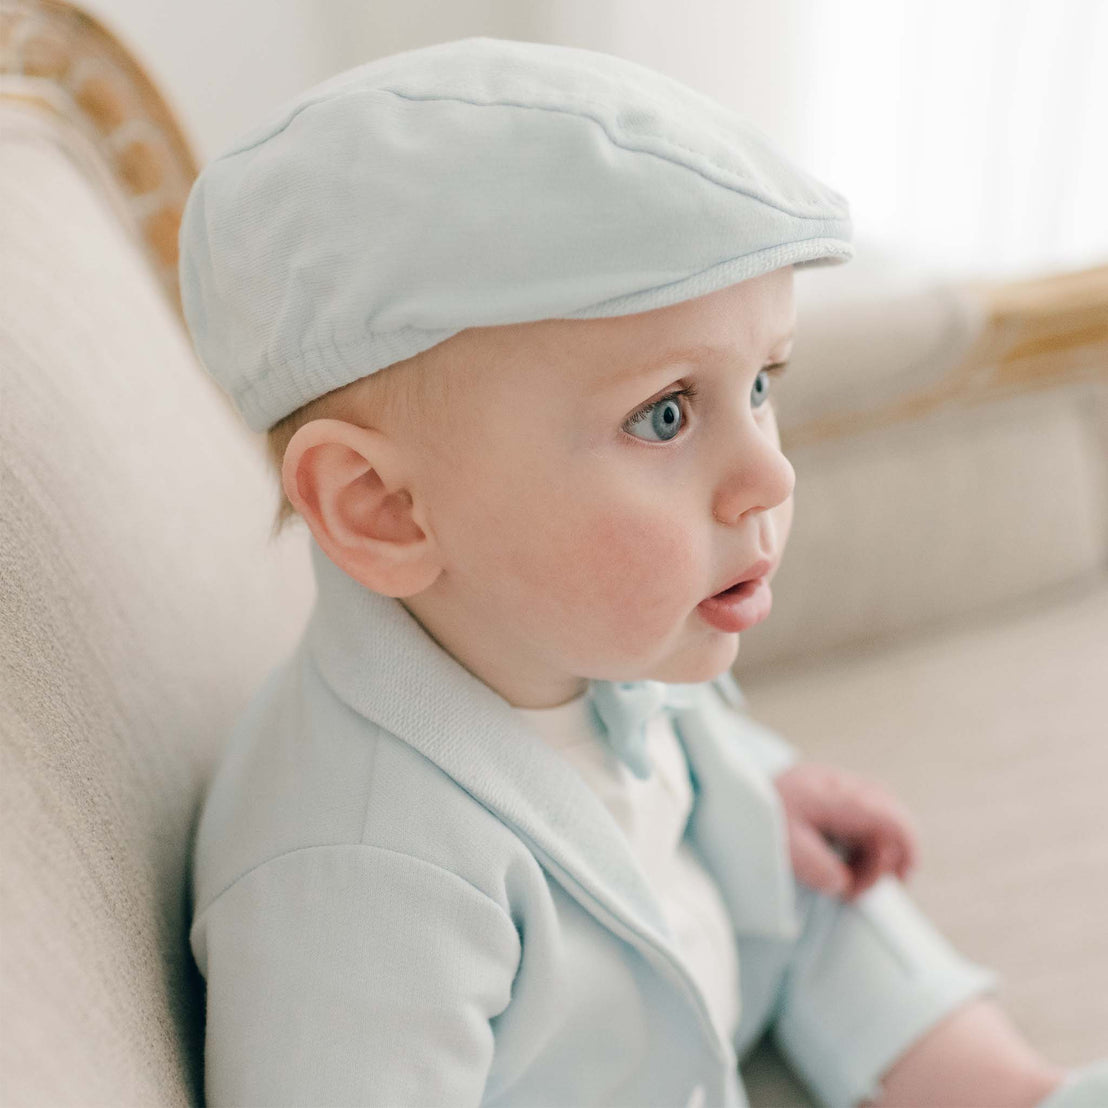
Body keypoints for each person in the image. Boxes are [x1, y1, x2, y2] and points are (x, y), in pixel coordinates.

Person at [179, 36, 1107, 1108]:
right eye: (664, 414)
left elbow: (673, 747)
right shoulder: (360, 883)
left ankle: (1005, 1087)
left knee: (832, 888)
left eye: (761, 383)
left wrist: (757, 798)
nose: (768, 472)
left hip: (705, 958)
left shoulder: (575, 620)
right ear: (381, 508)